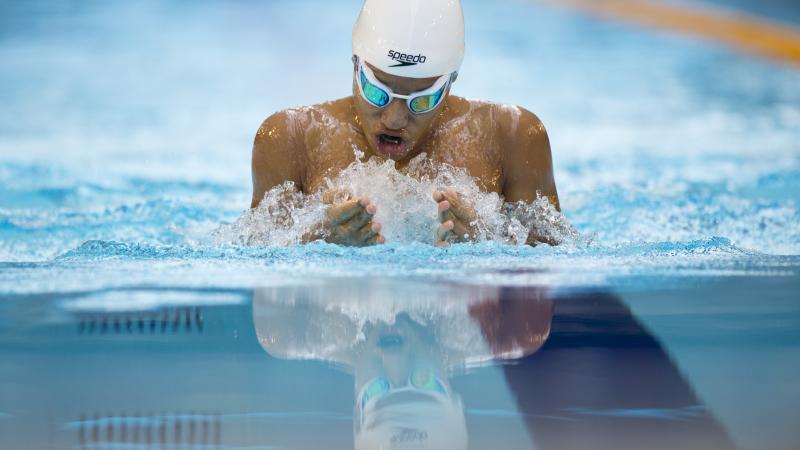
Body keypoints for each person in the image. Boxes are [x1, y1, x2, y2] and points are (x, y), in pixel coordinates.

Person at [251, 0, 560, 246]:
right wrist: (317, 235)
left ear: (450, 83)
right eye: (377, 91)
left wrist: (486, 239)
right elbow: (255, 255)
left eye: (421, 100)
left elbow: (556, 262)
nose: (395, 118)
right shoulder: (291, 139)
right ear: (355, 65)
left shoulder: (512, 137)